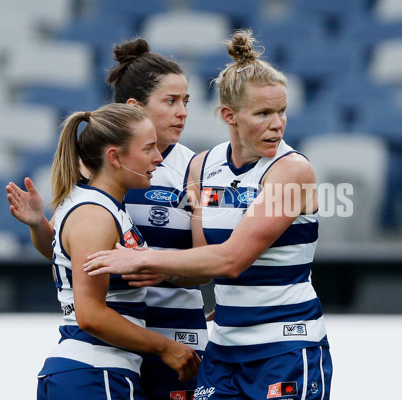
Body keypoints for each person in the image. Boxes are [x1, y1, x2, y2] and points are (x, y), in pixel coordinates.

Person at [84, 29, 333, 399]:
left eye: (282, 111)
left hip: (284, 347)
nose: (277, 123)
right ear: (228, 115)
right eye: (263, 113)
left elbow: (231, 260)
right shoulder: (204, 166)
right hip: (224, 349)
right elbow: (199, 265)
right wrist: (161, 268)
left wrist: (142, 257)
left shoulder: (292, 170)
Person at [6, 38, 209, 399]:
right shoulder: (97, 177)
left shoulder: (196, 168)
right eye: (171, 101)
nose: (183, 112)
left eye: (186, 101)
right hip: (111, 346)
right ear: (134, 109)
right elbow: (74, 256)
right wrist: (41, 227)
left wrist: (167, 271)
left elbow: (209, 262)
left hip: (174, 336)